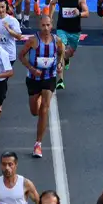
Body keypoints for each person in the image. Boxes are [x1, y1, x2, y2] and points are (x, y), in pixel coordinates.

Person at [20, 17, 64, 159]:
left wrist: (60, 64)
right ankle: (38, 108)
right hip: (33, 79)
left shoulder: (56, 40)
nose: (45, 28)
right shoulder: (33, 40)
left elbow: (61, 52)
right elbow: (21, 56)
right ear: (39, 26)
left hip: (48, 78)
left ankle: (38, 144)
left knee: (45, 108)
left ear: (52, 26)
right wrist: (31, 68)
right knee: (34, 111)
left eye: (48, 25)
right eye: (43, 25)